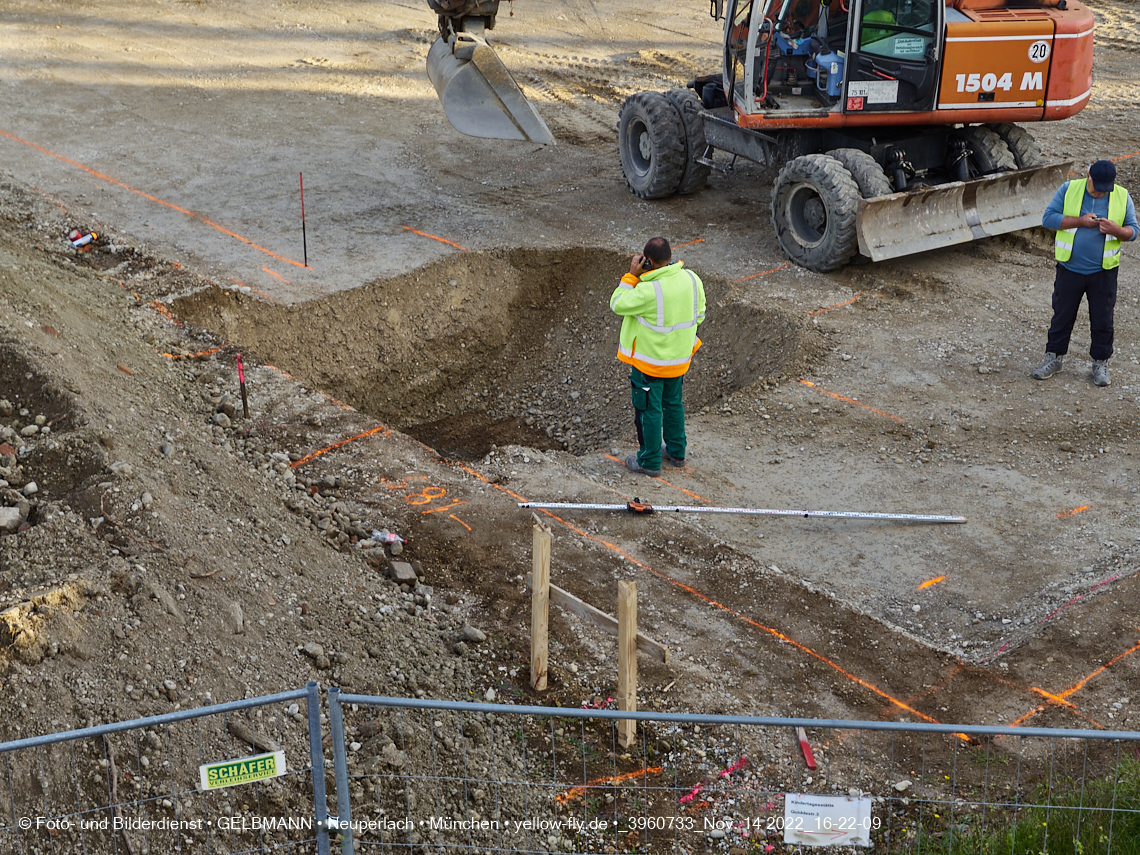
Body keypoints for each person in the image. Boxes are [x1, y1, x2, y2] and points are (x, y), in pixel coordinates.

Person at [1035, 160, 1138, 387]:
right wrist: (1080, 221)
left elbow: (1133, 231)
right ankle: (1054, 358)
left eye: (1105, 188)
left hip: (1103, 273)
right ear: (1088, 176)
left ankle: (1100, 364)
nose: (1100, 192)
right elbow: (1048, 219)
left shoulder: (1121, 196)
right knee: (1062, 316)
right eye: (1096, 187)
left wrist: (1117, 230)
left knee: (1103, 320)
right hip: (1069, 269)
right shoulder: (1069, 189)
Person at [609, 237, 706, 476]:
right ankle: (676, 451)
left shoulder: (647, 290)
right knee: (673, 404)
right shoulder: (693, 280)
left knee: (648, 410)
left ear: (648, 262)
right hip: (679, 360)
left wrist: (631, 275)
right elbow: (699, 316)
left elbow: (617, 304)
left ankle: (649, 461)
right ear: (670, 257)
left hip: (650, 365)